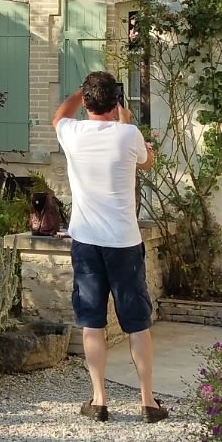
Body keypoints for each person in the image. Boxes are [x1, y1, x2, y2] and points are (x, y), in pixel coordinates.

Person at [51, 69, 163, 423]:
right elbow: (147, 162)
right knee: (137, 322)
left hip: (86, 243)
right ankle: (148, 401)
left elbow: (59, 116)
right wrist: (126, 122)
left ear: (86, 102)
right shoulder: (128, 134)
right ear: (116, 103)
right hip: (124, 243)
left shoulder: (72, 132)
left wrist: (77, 91)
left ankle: (98, 400)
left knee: (92, 323)